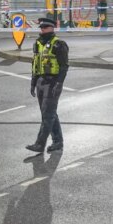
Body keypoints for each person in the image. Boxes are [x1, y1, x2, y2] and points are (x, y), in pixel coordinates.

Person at [27, 17, 69, 154]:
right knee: (49, 114)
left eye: (45, 27)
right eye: (41, 27)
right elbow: (35, 64)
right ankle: (58, 141)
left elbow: (64, 67)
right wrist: (33, 83)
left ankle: (40, 144)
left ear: (52, 28)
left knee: (47, 115)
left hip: (52, 82)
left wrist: (59, 83)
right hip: (41, 82)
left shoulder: (59, 44)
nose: (42, 29)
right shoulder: (38, 43)